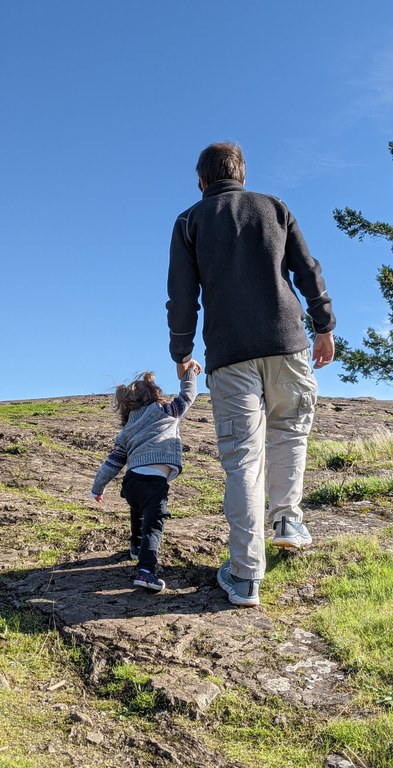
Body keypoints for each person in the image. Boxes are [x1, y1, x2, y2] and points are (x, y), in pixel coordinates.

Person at [166, 141, 336, 607]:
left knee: (243, 459)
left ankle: (244, 574)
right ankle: (287, 520)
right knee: (290, 434)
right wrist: (324, 326)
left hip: (230, 354)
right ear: (241, 174)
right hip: (288, 344)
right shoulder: (275, 207)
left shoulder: (189, 221)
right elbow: (307, 270)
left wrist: (181, 350)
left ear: (202, 180)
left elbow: (183, 297)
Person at [91, 364, 201, 592]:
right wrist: (190, 372)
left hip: (132, 481)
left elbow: (112, 464)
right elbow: (188, 395)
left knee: (138, 509)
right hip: (154, 483)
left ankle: (135, 546)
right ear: (155, 395)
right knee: (153, 525)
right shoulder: (165, 411)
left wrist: (97, 488)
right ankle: (146, 571)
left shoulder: (126, 431)